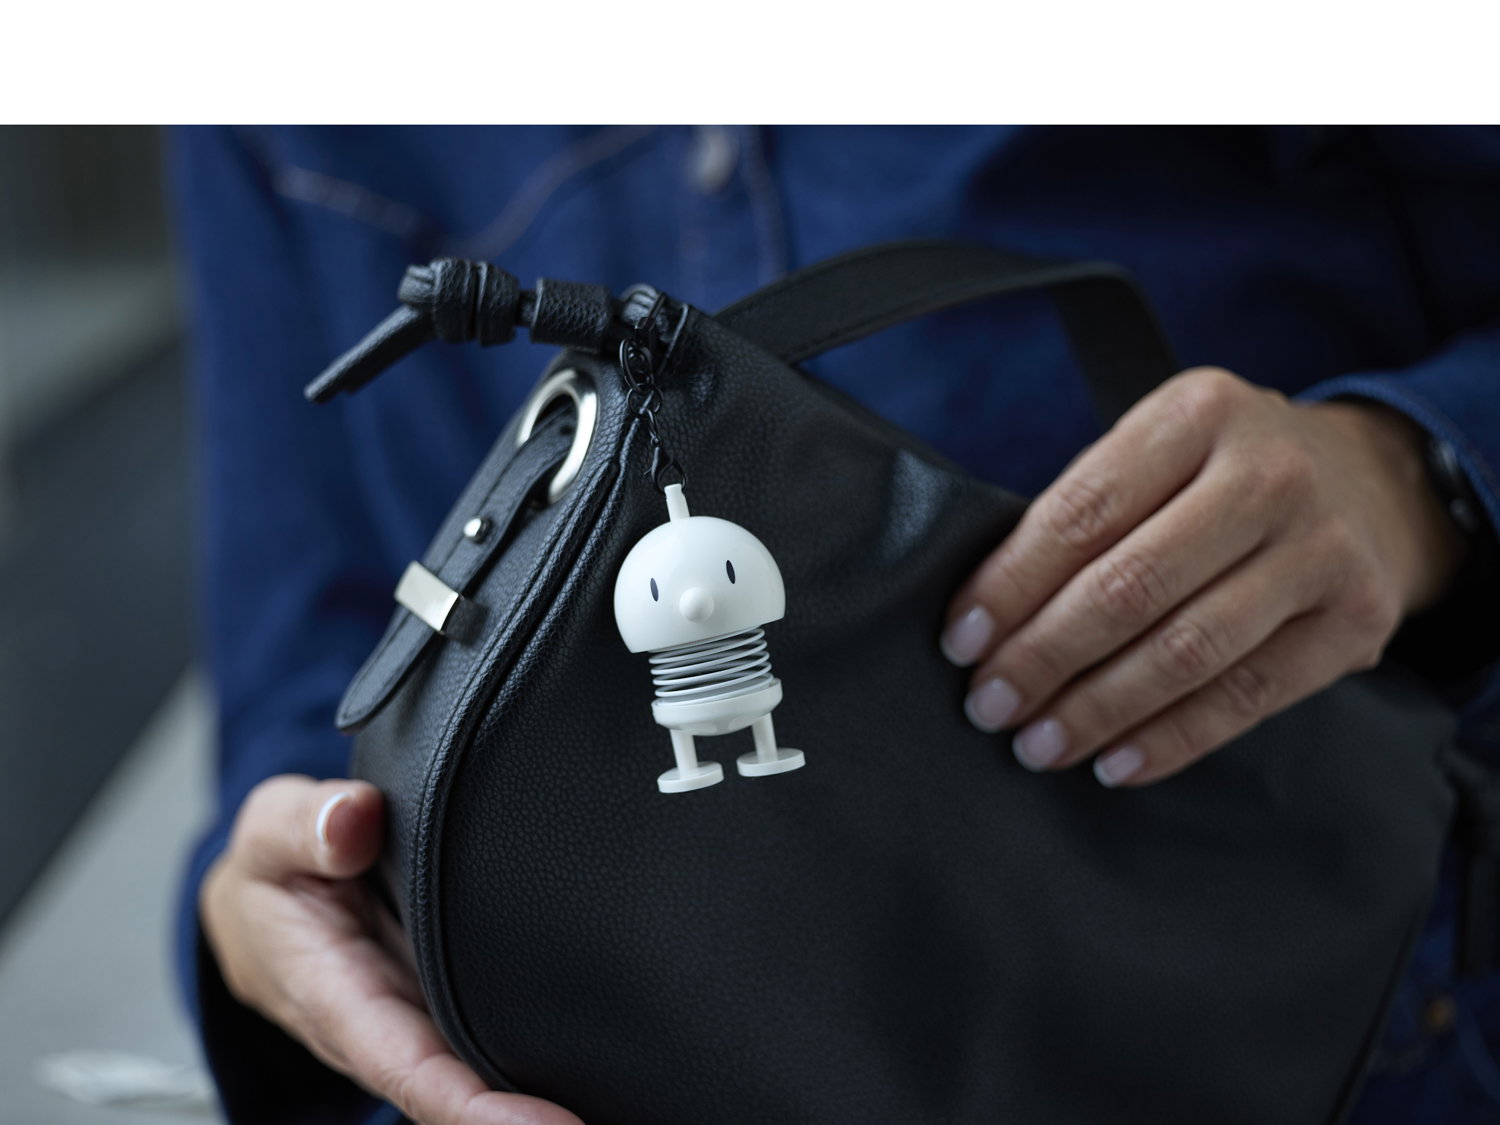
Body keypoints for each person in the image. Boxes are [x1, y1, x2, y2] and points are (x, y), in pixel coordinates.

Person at [175, 125, 1500, 1124]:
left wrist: (1418, 469)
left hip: (1292, 990)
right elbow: (305, 661)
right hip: (597, 1059)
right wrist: (278, 902)